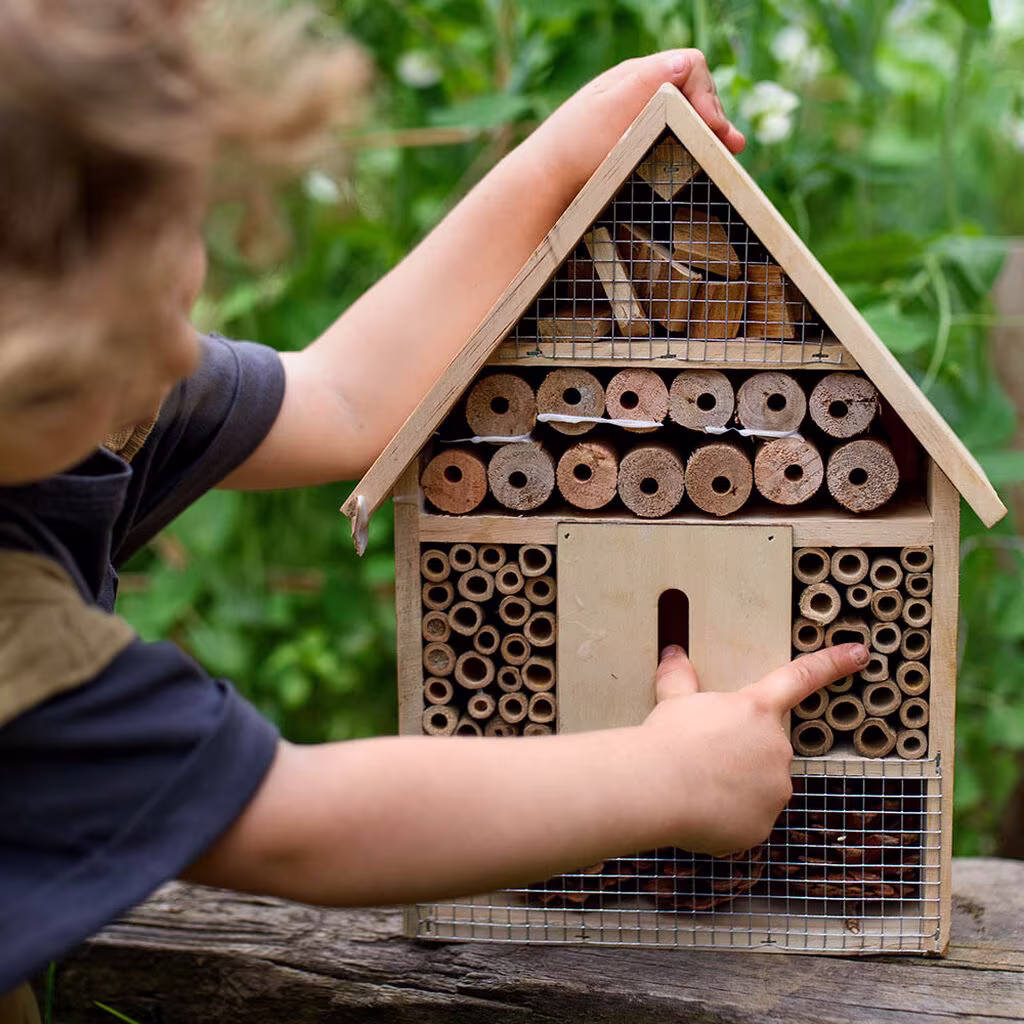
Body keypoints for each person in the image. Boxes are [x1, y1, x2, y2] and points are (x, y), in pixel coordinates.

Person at [0, 0, 870, 1010]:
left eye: (176, 290)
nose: (175, 356)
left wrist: (556, 162)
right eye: (123, 331)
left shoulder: (59, 404)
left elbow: (346, 399)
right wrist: (671, 779)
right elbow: (297, 823)